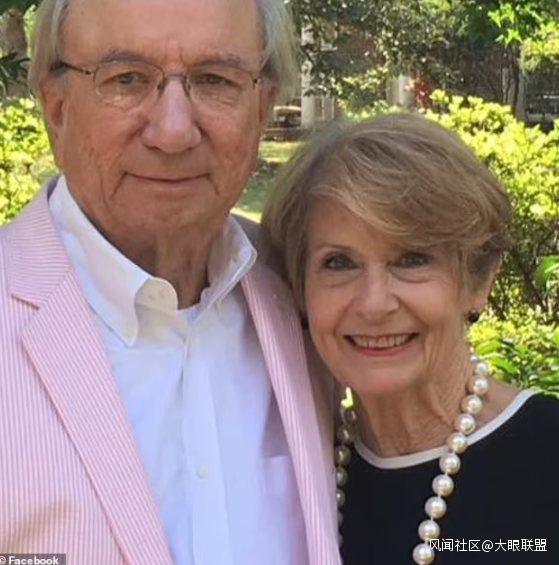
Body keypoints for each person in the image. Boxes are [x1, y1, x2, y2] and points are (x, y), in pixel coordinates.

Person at [0, 0, 341, 564]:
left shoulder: (310, 295)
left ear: (262, 107)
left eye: (215, 80)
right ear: (57, 108)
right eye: (126, 79)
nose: (174, 131)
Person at [261, 113, 559, 565]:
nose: (374, 304)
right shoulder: (296, 478)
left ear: (479, 280)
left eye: (412, 259)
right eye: (339, 263)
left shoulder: (547, 458)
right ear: (300, 289)